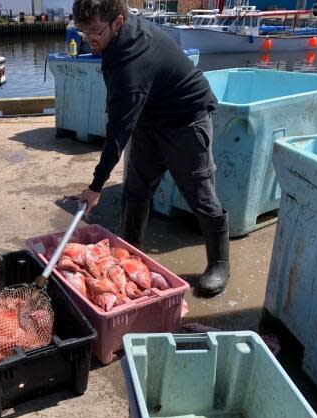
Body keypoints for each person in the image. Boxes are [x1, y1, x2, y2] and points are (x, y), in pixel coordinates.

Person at [70, 0, 229, 296]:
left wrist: (96, 186)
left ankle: (219, 263)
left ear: (117, 22)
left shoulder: (133, 60)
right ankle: (131, 254)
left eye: (93, 32)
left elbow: (117, 131)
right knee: (136, 189)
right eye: (81, 31)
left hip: (186, 119)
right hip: (151, 117)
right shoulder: (114, 39)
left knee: (200, 195)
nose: (88, 39)